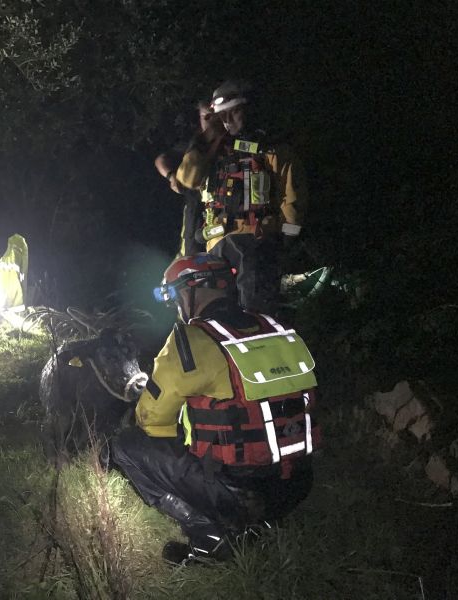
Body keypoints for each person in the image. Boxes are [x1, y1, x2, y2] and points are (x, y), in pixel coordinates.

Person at [111, 254, 319, 564]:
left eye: (175, 295)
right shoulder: (277, 326)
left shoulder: (189, 340)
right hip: (297, 485)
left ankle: (210, 539)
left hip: (241, 495)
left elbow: (151, 422)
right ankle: (256, 525)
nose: (177, 306)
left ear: (191, 291)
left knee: (127, 446)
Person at [173, 80, 309, 312]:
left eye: (233, 111)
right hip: (215, 245)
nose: (227, 121)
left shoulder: (272, 149)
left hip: (256, 240)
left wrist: (285, 242)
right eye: (221, 115)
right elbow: (187, 179)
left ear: (248, 108)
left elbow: (292, 200)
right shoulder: (212, 153)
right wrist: (206, 138)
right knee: (216, 313)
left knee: (255, 309)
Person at [154, 101, 226, 258]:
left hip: (223, 211)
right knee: (191, 253)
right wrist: (171, 176)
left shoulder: (229, 141)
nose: (209, 119)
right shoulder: (194, 144)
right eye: (205, 116)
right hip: (196, 209)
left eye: (212, 115)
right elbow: (161, 160)